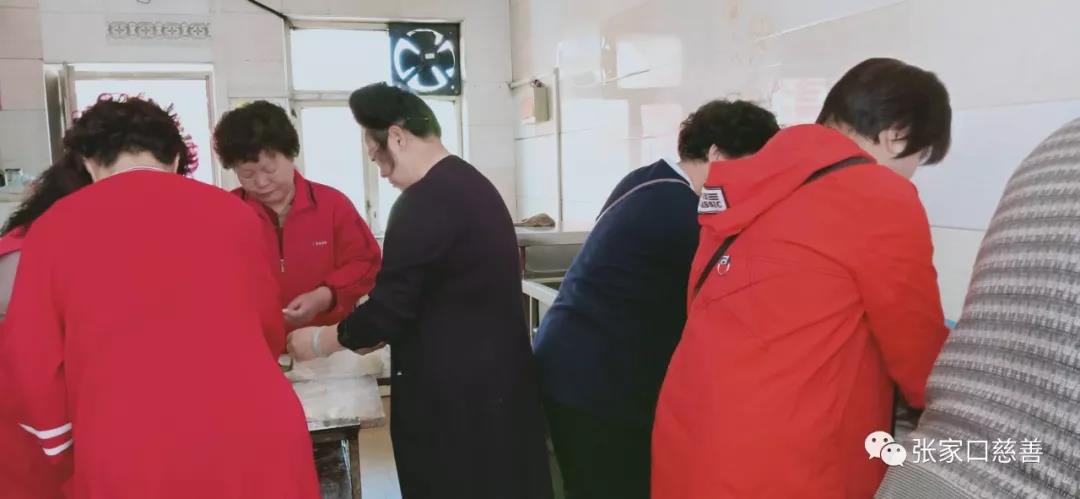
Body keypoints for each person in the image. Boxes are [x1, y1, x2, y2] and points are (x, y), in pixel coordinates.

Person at [652, 58, 953, 498]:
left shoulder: (742, 182)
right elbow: (918, 354)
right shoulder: (878, 195)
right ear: (896, 135)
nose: (912, 173)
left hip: (690, 433)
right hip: (784, 461)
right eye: (919, 158)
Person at [0, 95, 319, 498]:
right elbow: (267, 329)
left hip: (134, 448)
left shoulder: (53, 228)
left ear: (89, 163)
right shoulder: (236, 214)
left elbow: (31, 363)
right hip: (259, 436)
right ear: (174, 159)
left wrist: (66, 453)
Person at [289, 83, 553, 499]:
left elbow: (387, 313)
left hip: (455, 406)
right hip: (497, 390)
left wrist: (319, 341)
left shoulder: (422, 202)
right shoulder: (470, 184)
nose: (382, 172)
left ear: (397, 137)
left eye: (377, 157)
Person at [533, 100, 779, 499]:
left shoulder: (648, 179)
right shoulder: (679, 211)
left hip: (572, 371)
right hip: (597, 386)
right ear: (717, 155)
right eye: (752, 168)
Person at [876, 118, 1080, 499]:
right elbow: (910, 338)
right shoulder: (882, 197)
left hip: (922, 471)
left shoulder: (1056, 142)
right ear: (895, 136)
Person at [213, 101, 381, 334]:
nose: (261, 182)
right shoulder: (225, 213)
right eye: (247, 174)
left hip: (324, 344)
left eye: (269, 169)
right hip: (252, 342)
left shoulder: (332, 205)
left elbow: (366, 262)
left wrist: (327, 295)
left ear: (291, 154)